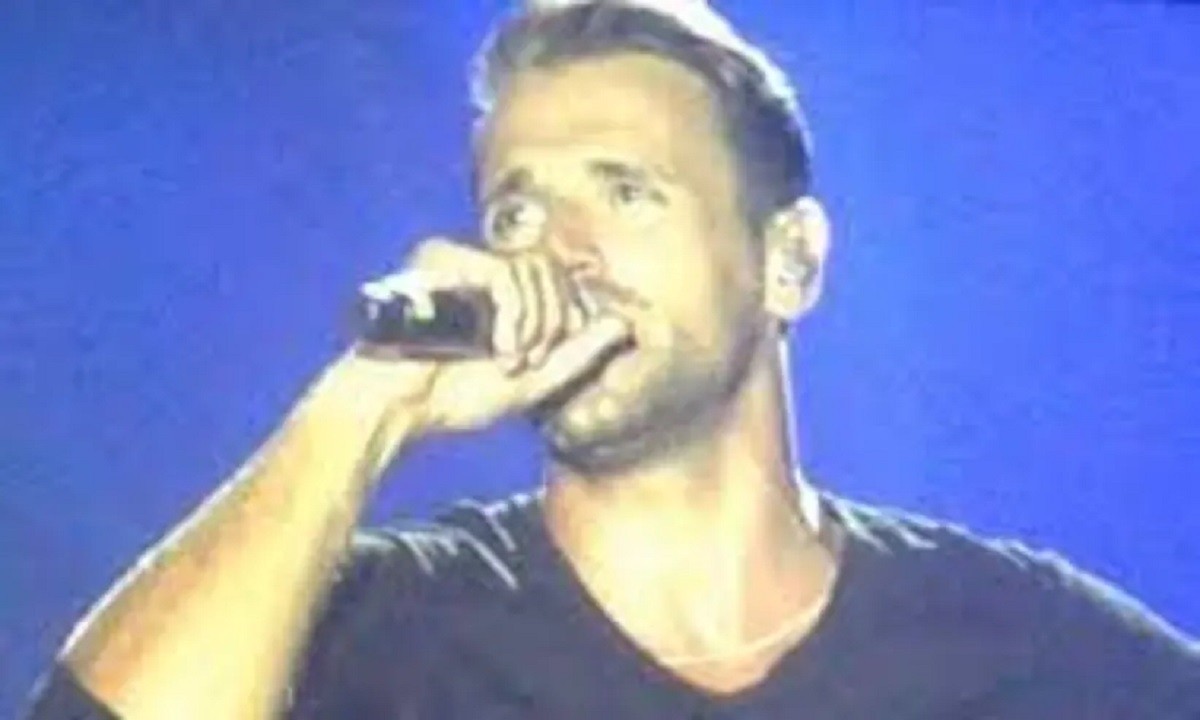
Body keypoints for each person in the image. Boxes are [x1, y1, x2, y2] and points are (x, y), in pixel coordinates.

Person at [26, 1, 1200, 718]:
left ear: (789, 260)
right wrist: (361, 408)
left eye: (627, 192)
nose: (560, 249)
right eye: (517, 210)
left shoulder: (1015, 645)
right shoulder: (370, 627)